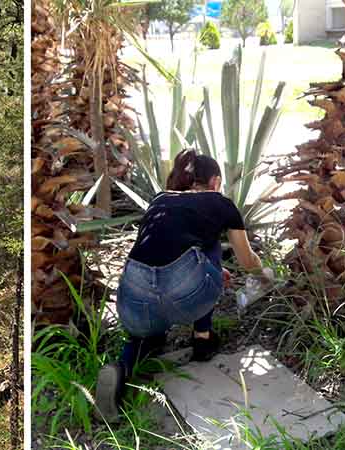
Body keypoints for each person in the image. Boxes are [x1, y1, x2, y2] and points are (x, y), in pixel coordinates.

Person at [94, 149, 268, 422]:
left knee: (146, 337)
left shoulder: (159, 199)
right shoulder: (220, 203)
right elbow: (247, 261)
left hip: (134, 293)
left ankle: (121, 367)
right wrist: (266, 278)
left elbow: (157, 249)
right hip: (187, 290)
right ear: (215, 181)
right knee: (208, 241)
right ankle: (202, 338)